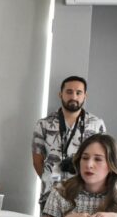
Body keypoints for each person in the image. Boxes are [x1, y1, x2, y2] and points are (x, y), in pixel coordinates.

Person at [32, 76, 107, 208]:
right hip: (51, 194)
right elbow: (37, 160)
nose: (74, 96)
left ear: (85, 96)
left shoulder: (97, 124)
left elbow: (102, 160)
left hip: (85, 195)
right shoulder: (44, 124)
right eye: (69, 92)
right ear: (60, 94)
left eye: (78, 93)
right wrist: (48, 180)